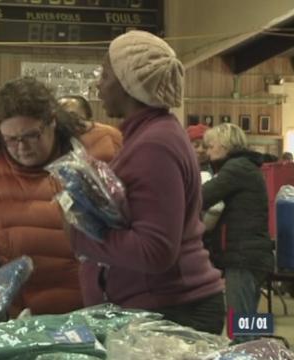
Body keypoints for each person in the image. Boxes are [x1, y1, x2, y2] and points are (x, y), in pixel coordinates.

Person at [69, 30, 225, 334]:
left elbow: (155, 250)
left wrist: (80, 237)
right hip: (162, 307)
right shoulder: (148, 135)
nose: (99, 83)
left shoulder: (155, 144)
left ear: (129, 83)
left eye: (105, 74)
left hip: (174, 310)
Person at [0, 77, 120, 316]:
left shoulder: (103, 147)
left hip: (101, 313)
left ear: (52, 122)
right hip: (25, 320)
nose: (22, 147)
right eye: (11, 140)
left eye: (31, 136)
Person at [202, 123, 274, 318]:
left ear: (224, 145)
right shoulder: (246, 166)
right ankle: (254, 346)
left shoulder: (236, 168)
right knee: (247, 321)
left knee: (240, 327)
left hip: (243, 257)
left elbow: (203, 196)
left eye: (210, 146)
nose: (207, 152)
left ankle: (248, 349)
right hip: (253, 256)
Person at [57, 95, 123, 162]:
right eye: (60, 114)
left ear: (87, 114)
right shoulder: (55, 139)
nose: (65, 118)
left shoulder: (110, 134)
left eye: (72, 114)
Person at [187, 124, 223, 232]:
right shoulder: (183, 169)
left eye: (205, 146)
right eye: (196, 145)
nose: (201, 150)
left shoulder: (219, 168)